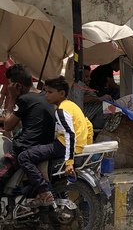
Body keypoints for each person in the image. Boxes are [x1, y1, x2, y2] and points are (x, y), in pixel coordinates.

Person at [18, 76, 93, 207]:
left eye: (50, 92)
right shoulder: (72, 105)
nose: (46, 95)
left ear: (62, 93)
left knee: (24, 157)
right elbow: (88, 125)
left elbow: (70, 134)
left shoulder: (61, 110)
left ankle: (45, 192)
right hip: (75, 146)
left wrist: (69, 162)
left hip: (65, 146)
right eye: (46, 91)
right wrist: (86, 145)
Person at [0, 64, 56, 189]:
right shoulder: (43, 95)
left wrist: (13, 97)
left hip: (26, 147)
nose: (9, 89)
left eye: (10, 85)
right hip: (45, 144)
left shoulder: (24, 99)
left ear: (18, 86)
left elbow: (8, 126)